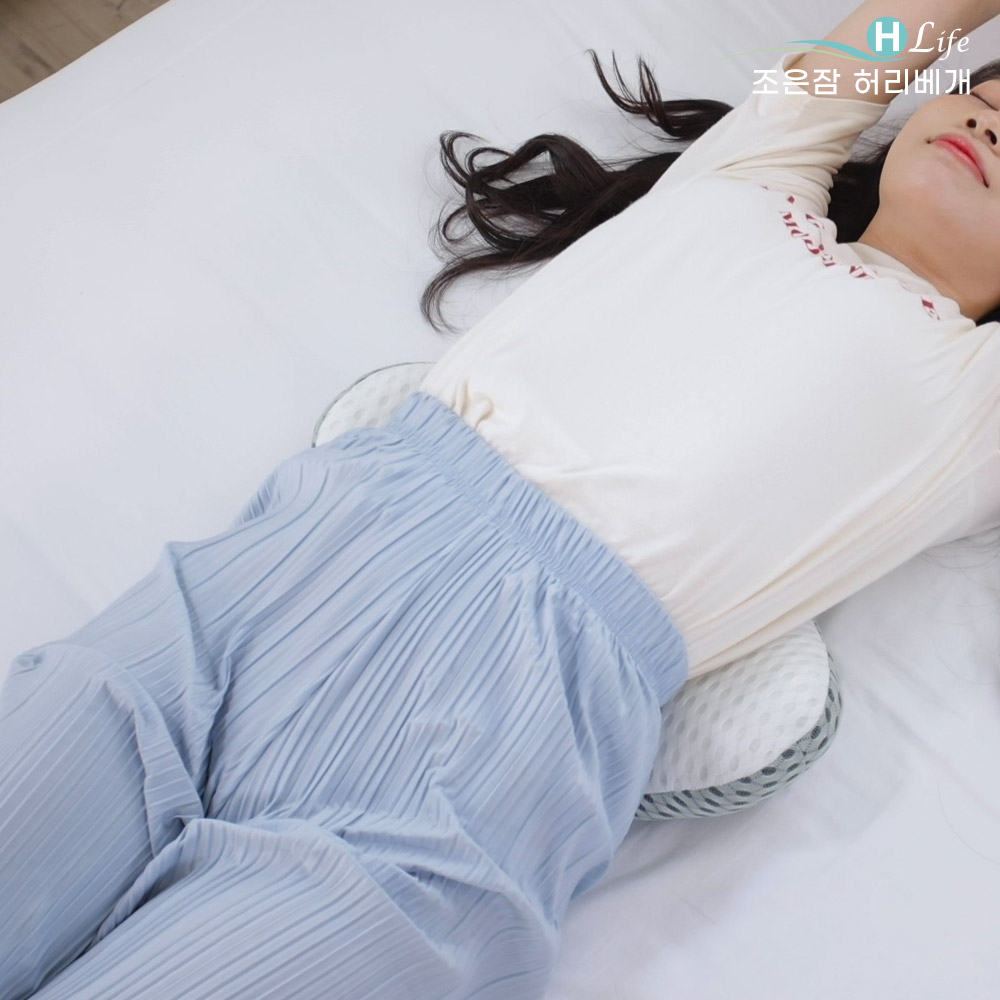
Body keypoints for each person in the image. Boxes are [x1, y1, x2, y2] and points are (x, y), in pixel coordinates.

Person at [3, 0, 1000, 997]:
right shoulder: (755, 172)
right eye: (985, 97)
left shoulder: (971, 403)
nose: (989, 124)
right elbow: (889, 35)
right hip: (268, 593)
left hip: (477, 758)